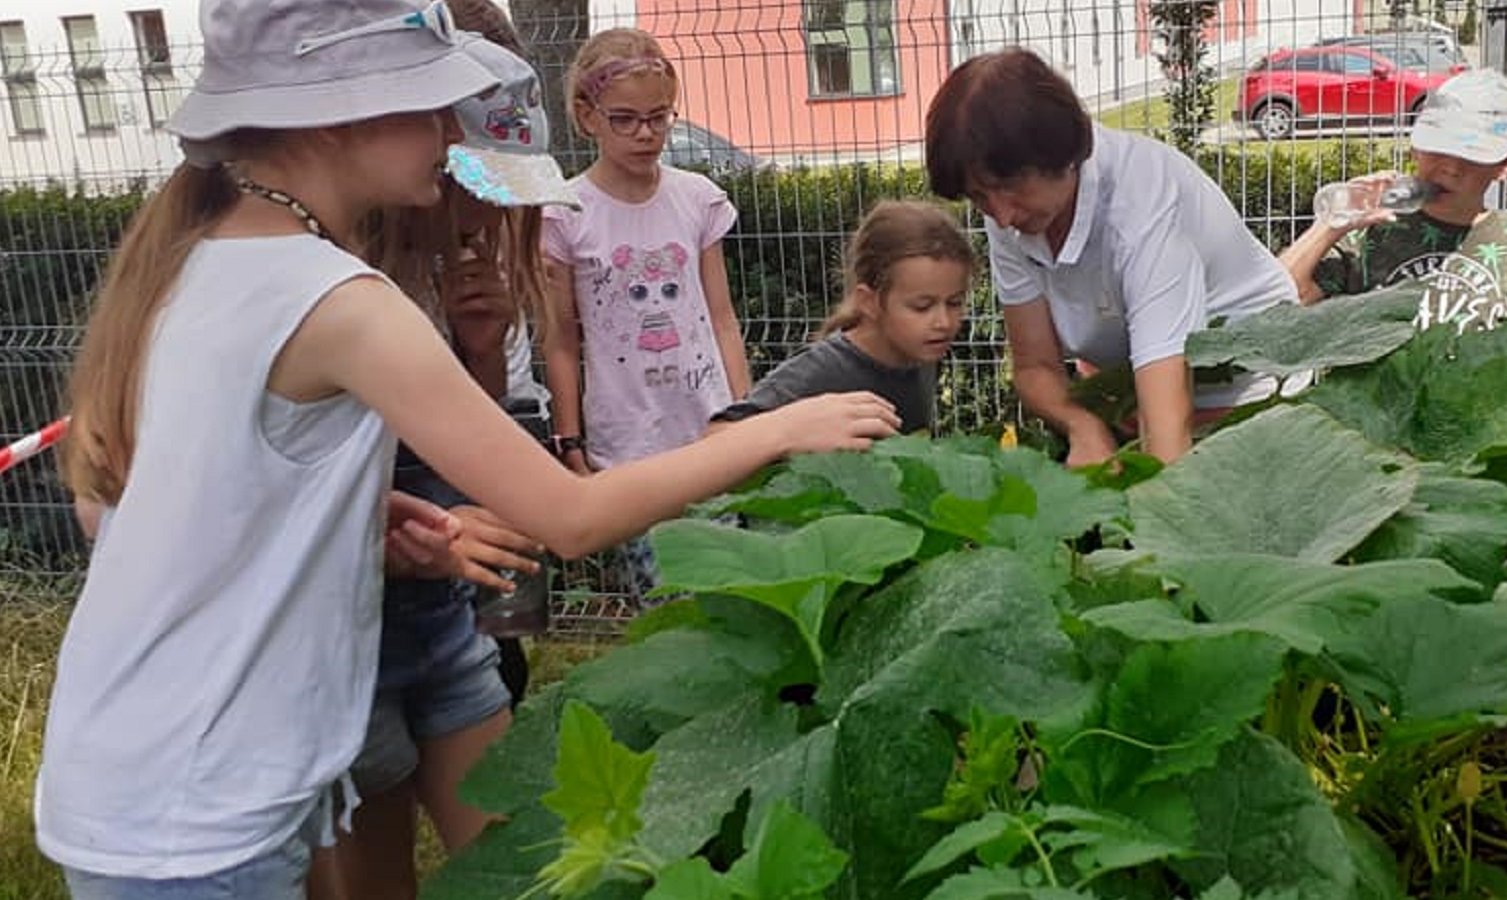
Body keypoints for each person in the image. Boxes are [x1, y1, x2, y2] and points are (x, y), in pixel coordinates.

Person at [34, 1, 898, 896]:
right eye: (427, 102)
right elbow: (570, 517)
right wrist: (776, 426)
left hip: (155, 775)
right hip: (202, 810)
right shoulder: (338, 300)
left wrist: (366, 512)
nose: (452, 133)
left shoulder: (205, 256)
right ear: (339, 114)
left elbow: (201, 493)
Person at [308, 8, 579, 899]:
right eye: (466, 178)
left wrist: (479, 351)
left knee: (519, 869)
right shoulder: (322, 285)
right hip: (335, 650)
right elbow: (295, 490)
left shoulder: (460, 275)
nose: (484, 210)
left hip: (442, 629)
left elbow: (479, 463)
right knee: (371, 878)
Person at [923, 47, 1304, 468]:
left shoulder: (1143, 204)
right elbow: (1034, 365)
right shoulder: (1010, 212)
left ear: (1064, 155)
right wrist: (1084, 426)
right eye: (978, 196)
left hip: (1255, 395)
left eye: (1010, 187)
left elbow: (1167, 429)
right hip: (1132, 395)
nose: (1001, 215)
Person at [541, 28, 752, 600]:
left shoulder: (698, 199)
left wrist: (745, 415)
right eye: (625, 119)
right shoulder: (566, 213)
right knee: (667, 612)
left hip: (709, 433)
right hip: (628, 449)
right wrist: (569, 441)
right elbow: (559, 338)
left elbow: (722, 319)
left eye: (660, 117)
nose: (646, 133)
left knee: (731, 598)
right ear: (587, 117)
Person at [1278, 68, 1507, 333]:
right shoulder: (1371, 229)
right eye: (1438, 149)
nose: (1450, 168)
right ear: (1414, 150)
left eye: (1471, 157)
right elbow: (1276, 304)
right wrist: (1332, 224)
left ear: (1505, 164)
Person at [710, 200, 974, 435]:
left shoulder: (921, 353)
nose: (944, 322)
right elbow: (718, 437)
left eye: (954, 303)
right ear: (869, 302)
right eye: (922, 306)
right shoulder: (822, 372)